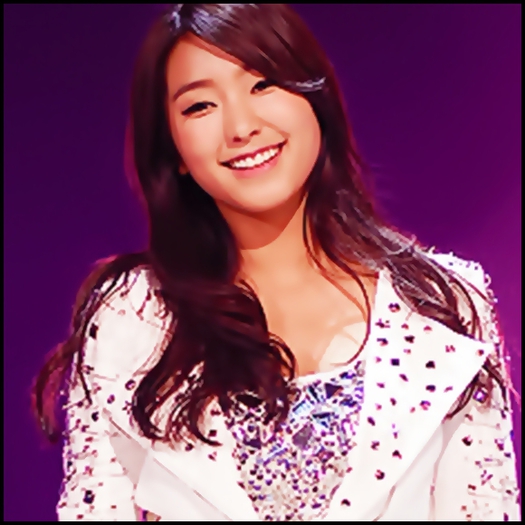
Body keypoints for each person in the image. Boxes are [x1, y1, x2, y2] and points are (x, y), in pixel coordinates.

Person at [32, 4, 520, 521]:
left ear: (315, 98)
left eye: (263, 84)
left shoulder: (443, 306)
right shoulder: (131, 318)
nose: (241, 127)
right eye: (200, 106)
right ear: (173, 149)